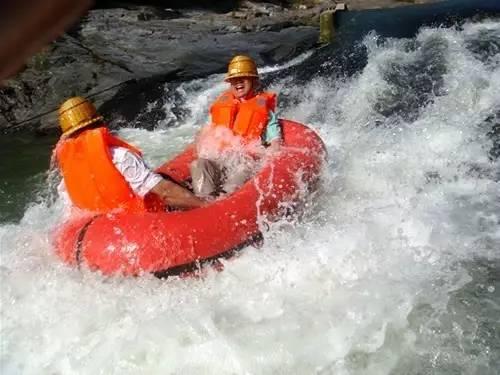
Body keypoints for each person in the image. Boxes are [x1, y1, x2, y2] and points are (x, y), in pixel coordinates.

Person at [54, 96, 206, 214]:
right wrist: (205, 207)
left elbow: (73, 211)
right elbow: (165, 192)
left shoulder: (66, 174)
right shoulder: (120, 156)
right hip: (140, 224)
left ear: (68, 137)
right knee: (167, 182)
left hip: (103, 233)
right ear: (100, 124)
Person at [190, 55, 282, 198]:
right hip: (219, 159)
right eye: (233, 79)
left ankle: (223, 200)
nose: (238, 82)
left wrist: (268, 155)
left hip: (244, 162)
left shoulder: (265, 112)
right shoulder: (222, 106)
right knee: (199, 164)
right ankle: (204, 203)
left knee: (244, 168)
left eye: (243, 78)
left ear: (253, 80)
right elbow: (206, 133)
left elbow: (275, 142)